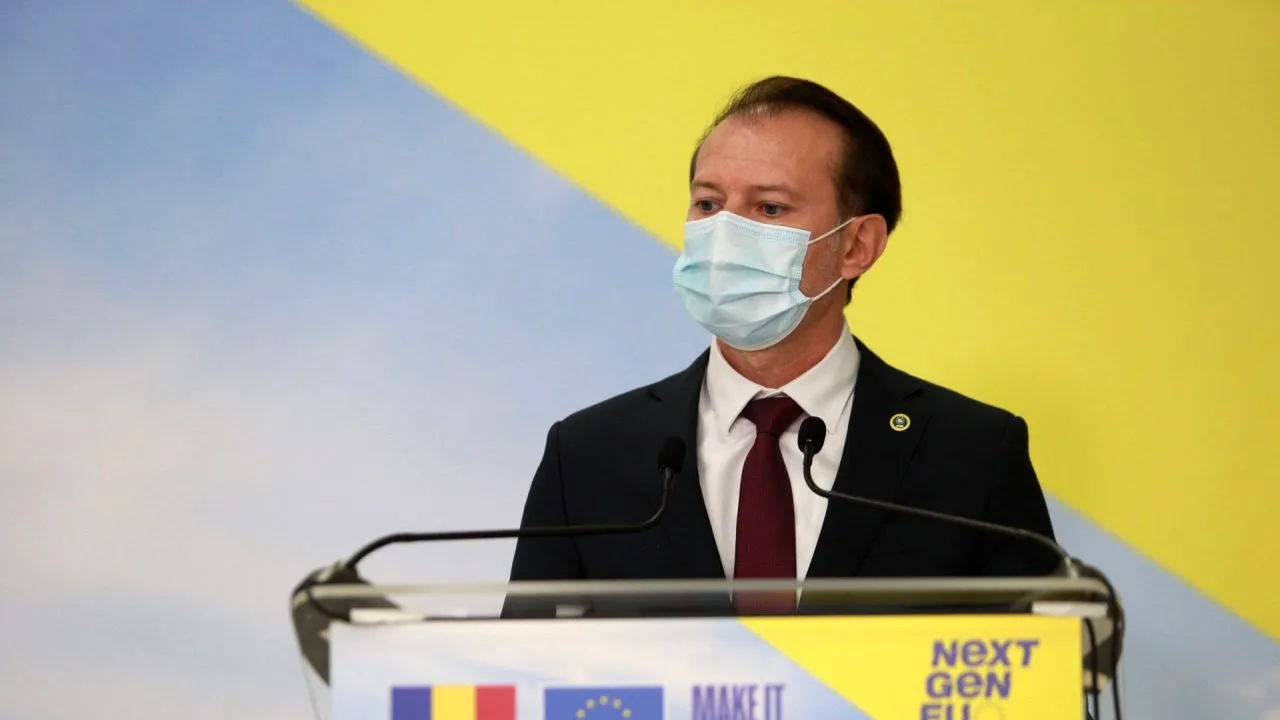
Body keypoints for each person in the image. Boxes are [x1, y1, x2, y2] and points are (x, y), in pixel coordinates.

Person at [504, 76, 1059, 612]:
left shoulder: (972, 456)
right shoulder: (587, 456)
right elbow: (524, 664)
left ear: (857, 245)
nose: (724, 236)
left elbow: (1041, 666)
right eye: (708, 204)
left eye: (769, 208)